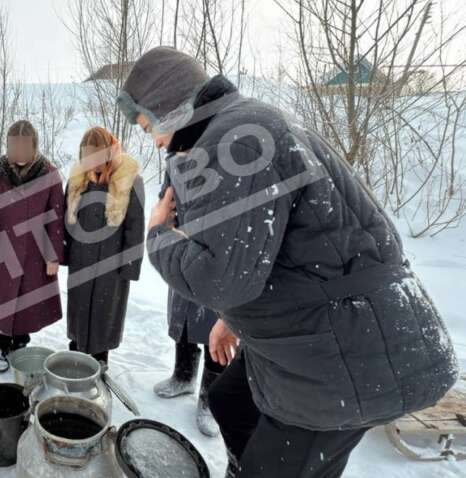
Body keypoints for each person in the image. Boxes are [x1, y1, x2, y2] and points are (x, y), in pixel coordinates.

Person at [118, 46, 459, 478]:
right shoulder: (243, 125)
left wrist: (159, 238)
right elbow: (284, 250)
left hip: (341, 358)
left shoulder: (235, 139)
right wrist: (234, 318)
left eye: (150, 126)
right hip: (321, 327)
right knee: (230, 403)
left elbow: (220, 280)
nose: (156, 141)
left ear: (170, 108)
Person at [0, 119, 65, 372]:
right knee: (3, 302)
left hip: (36, 253)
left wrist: (53, 257)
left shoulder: (49, 173)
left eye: (23, 147)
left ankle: (21, 346)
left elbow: (56, 217)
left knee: (28, 302)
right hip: (4, 250)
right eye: (13, 147)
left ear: (34, 146)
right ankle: (3, 345)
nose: (18, 153)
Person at [63, 126, 145, 364]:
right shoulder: (77, 180)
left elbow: (135, 228)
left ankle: (100, 358)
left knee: (103, 314)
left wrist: (129, 267)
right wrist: (64, 254)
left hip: (111, 264)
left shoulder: (129, 181)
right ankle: (76, 350)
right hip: (80, 261)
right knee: (79, 309)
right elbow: (65, 220)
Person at [153, 169, 225, 438]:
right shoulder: (179, 159)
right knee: (182, 319)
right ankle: (184, 376)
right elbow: (166, 198)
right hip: (182, 248)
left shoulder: (230, 153)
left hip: (218, 254)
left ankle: (210, 402)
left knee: (215, 332)